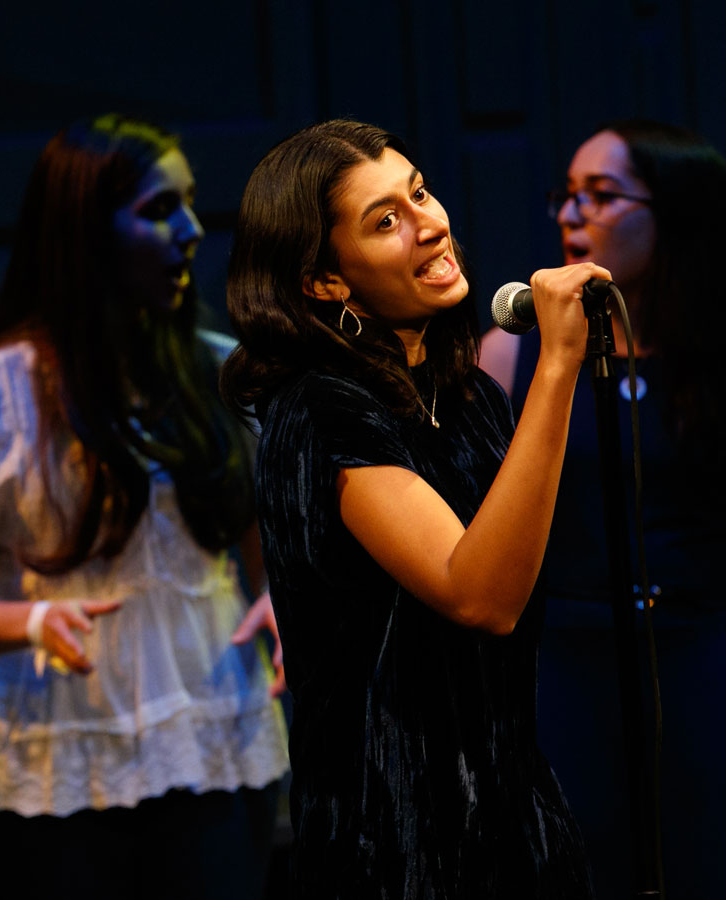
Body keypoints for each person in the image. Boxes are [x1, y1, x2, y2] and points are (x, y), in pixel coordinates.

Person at [0, 114, 289, 899]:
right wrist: (33, 621)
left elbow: (266, 549)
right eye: (156, 210)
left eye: (190, 205)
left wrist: (284, 600)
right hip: (58, 759)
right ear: (84, 233)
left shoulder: (217, 375)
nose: (187, 232)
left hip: (210, 732)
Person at [220, 119, 605, 896]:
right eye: (386, 220)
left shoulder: (467, 399)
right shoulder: (321, 412)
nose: (431, 224)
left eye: (420, 192)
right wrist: (558, 362)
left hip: (511, 820)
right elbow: (481, 595)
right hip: (393, 846)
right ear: (326, 281)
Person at [480, 120, 726, 899]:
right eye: (566, 196)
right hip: (564, 682)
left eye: (601, 195)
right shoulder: (510, 354)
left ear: (672, 211)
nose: (572, 216)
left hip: (705, 676)